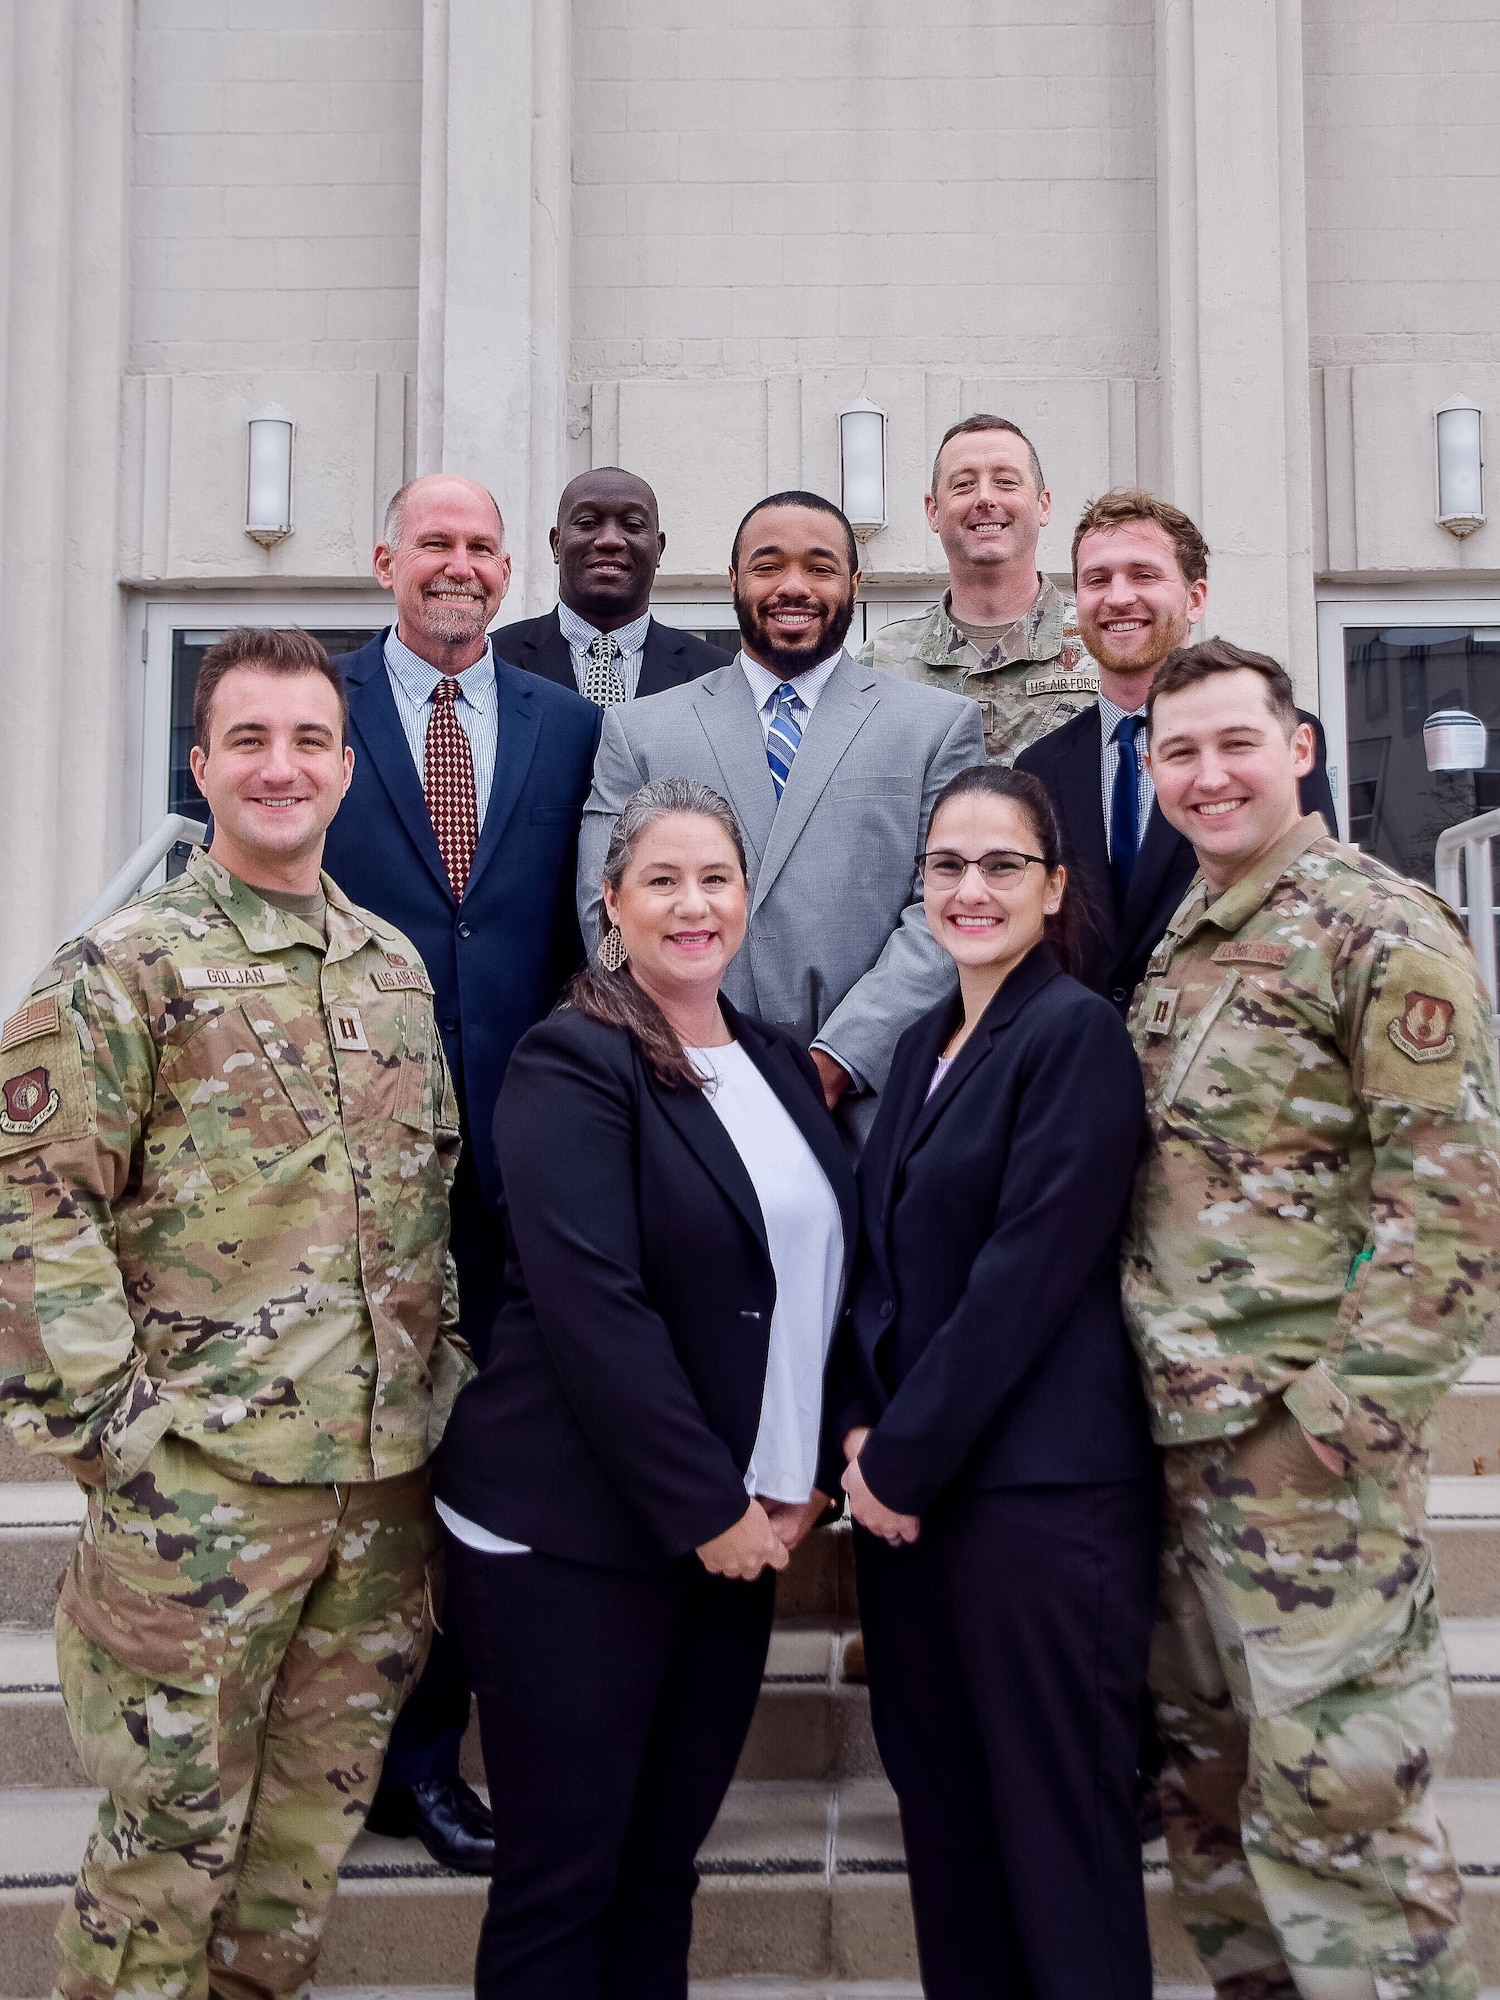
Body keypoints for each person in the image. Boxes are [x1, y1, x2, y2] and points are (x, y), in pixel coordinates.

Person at [0, 628, 466, 2000]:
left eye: (310, 739)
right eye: (249, 740)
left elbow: (422, 1200)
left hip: (375, 1498)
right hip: (200, 1502)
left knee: (297, 1859)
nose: (283, 766)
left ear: (345, 763)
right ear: (200, 766)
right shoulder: (117, 972)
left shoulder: (390, 966)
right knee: (163, 1858)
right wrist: (119, 1445)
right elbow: (34, 1212)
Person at [434, 779, 858, 1999]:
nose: (692, 903)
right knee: (563, 1879)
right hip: (574, 1531)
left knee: (661, 1864)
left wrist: (803, 1476)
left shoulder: (777, 1061)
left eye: (715, 878)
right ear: (610, 903)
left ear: (746, 898)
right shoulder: (572, 1058)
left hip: (737, 1529)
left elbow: (815, 1284)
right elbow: (592, 1307)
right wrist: (711, 1507)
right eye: (661, 880)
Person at [1126, 638, 1500, 2000]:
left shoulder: (1379, 928)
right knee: (1216, 1826)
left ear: (1300, 748)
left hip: (1305, 1471)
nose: (1208, 775)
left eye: (1236, 744)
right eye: (1180, 752)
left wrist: (1331, 1430)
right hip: (1184, 1453)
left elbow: (1454, 1208)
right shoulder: (1193, 928)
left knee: (1344, 1818)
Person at [832, 764, 1158, 2000]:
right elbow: (883, 1265)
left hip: (1038, 1503)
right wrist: (862, 1426)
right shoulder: (921, 1042)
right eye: (948, 867)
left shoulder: (1075, 1032)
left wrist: (901, 1458)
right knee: (949, 1832)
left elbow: (1026, 1271)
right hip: (911, 1511)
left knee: (1056, 1847)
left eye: (1001, 865)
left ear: (1054, 884)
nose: (972, 889)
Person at [322, 472, 600, 1871]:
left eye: (481, 546)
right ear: (385, 558)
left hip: (509, 1174)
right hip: (336, 1171)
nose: (459, 565)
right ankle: (329, 1754)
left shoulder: (568, 725)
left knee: (473, 1466)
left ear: (508, 571)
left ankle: (426, 1761)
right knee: (357, 1478)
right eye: (434, 542)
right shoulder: (313, 711)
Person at [578, 490, 986, 1146]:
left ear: (854, 584)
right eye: (768, 566)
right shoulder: (638, 731)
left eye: (819, 568)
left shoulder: (936, 727)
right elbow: (609, 919)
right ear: (733, 579)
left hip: (874, 1112)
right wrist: (692, 1049)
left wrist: (835, 1063)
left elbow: (948, 911)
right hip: (685, 1099)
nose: (793, 586)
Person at [1015, 488, 1337, 1012]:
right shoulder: (1039, 767)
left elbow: (1315, 903)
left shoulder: (1273, 744)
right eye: (1097, 580)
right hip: (1079, 1068)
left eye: (1143, 575)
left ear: (1195, 598)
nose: (1118, 597)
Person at [858, 413, 1101, 763]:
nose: (985, 499)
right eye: (963, 485)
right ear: (933, 511)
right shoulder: (880, 659)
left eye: (1005, 482)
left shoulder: (1100, 643)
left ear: (1043, 505)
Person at [492, 466, 731, 702]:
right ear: (557, 544)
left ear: (658, 549)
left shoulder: (718, 675)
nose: (610, 540)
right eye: (587, 522)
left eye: (633, 524)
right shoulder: (493, 660)